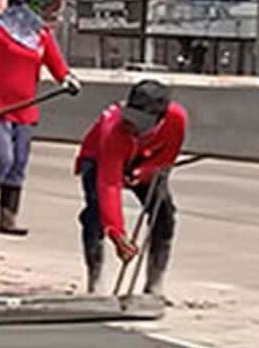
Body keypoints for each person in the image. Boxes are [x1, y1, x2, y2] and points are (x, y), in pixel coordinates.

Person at [0, 0, 80, 235]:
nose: (38, 8)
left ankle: (9, 217)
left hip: (26, 109)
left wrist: (67, 78)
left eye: (43, 2)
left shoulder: (41, 36)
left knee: (18, 163)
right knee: (3, 158)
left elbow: (56, 64)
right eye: (34, 1)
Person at [75, 79, 188, 295]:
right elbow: (109, 184)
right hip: (100, 157)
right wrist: (118, 234)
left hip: (145, 160)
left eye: (141, 123)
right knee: (95, 213)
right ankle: (95, 280)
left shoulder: (176, 119)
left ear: (159, 119)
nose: (132, 126)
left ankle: (154, 283)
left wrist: (144, 171)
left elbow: (167, 156)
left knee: (163, 213)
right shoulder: (114, 128)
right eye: (131, 118)